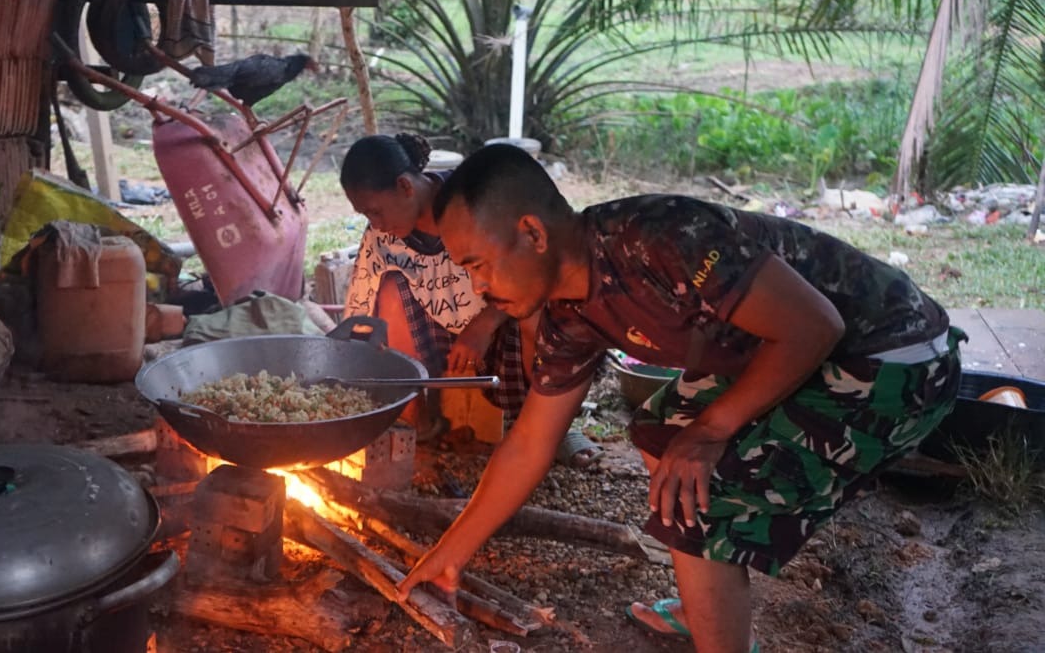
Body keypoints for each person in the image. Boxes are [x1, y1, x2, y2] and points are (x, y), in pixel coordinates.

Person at [398, 143, 962, 653]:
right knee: (662, 432)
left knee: (704, 484)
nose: (477, 287)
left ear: (533, 233)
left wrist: (712, 431)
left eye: (477, 265)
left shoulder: (658, 241)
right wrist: (448, 556)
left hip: (897, 357)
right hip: (801, 348)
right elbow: (530, 443)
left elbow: (815, 325)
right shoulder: (569, 316)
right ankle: (709, 611)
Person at [340, 133, 602, 466]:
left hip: (504, 323)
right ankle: (416, 419)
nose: (375, 224)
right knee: (389, 291)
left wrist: (485, 323)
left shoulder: (473, 201)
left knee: (540, 313)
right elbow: (360, 313)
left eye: (376, 211)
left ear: (405, 186)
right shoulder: (381, 236)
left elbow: (534, 270)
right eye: (366, 216)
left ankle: (550, 426)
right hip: (439, 339)